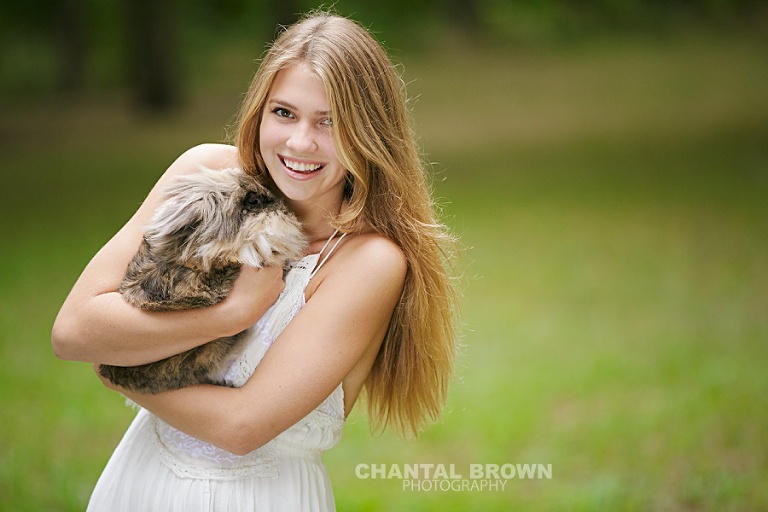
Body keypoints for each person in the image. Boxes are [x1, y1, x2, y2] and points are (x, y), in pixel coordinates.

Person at [51, 10, 457, 512]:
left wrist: (118, 364)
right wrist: (230, 314)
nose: (300, 142)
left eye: (328, 122)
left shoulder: (369, 261)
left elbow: (242, 426)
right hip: (140, 483)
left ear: (368, 132)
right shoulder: (205, 173)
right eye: (283, 113)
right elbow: (72, 330)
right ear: (259, 111)